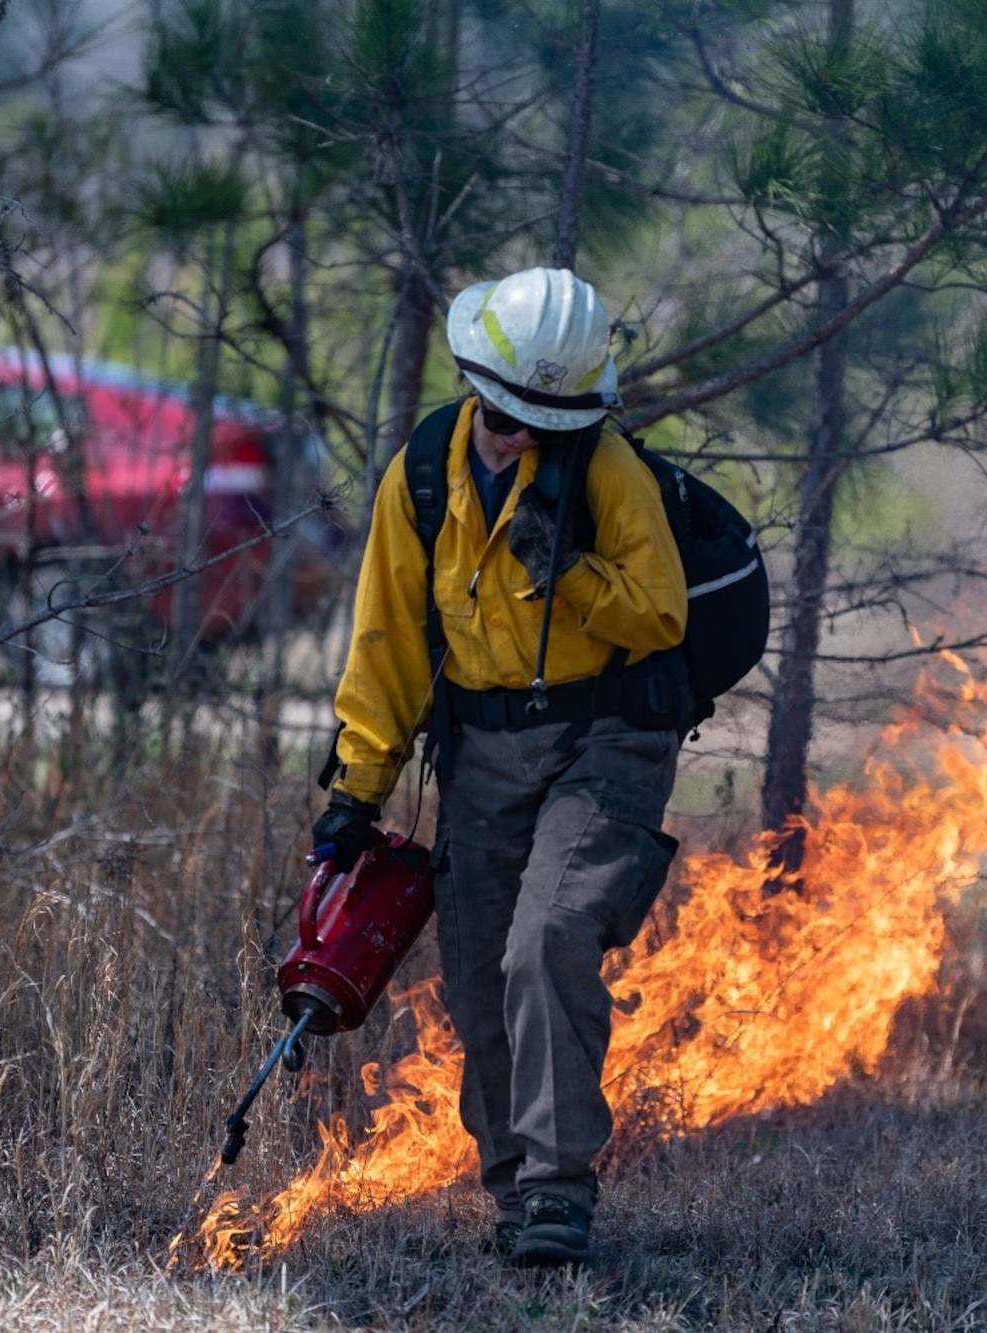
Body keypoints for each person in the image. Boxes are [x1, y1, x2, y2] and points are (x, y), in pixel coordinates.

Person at [312, 267, 691, 1268]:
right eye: (509, 417)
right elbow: (387, 638)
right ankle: (514, 1198)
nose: (523, 437)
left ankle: (560, 1192)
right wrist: (357, 787)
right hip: (480, 751)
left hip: (603, 743)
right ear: (479, 390)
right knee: (478, 979)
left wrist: (563, 572)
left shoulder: (605, 473)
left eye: (545, 423)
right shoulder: (423, 473)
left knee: (549, 938)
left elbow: (658, 612)